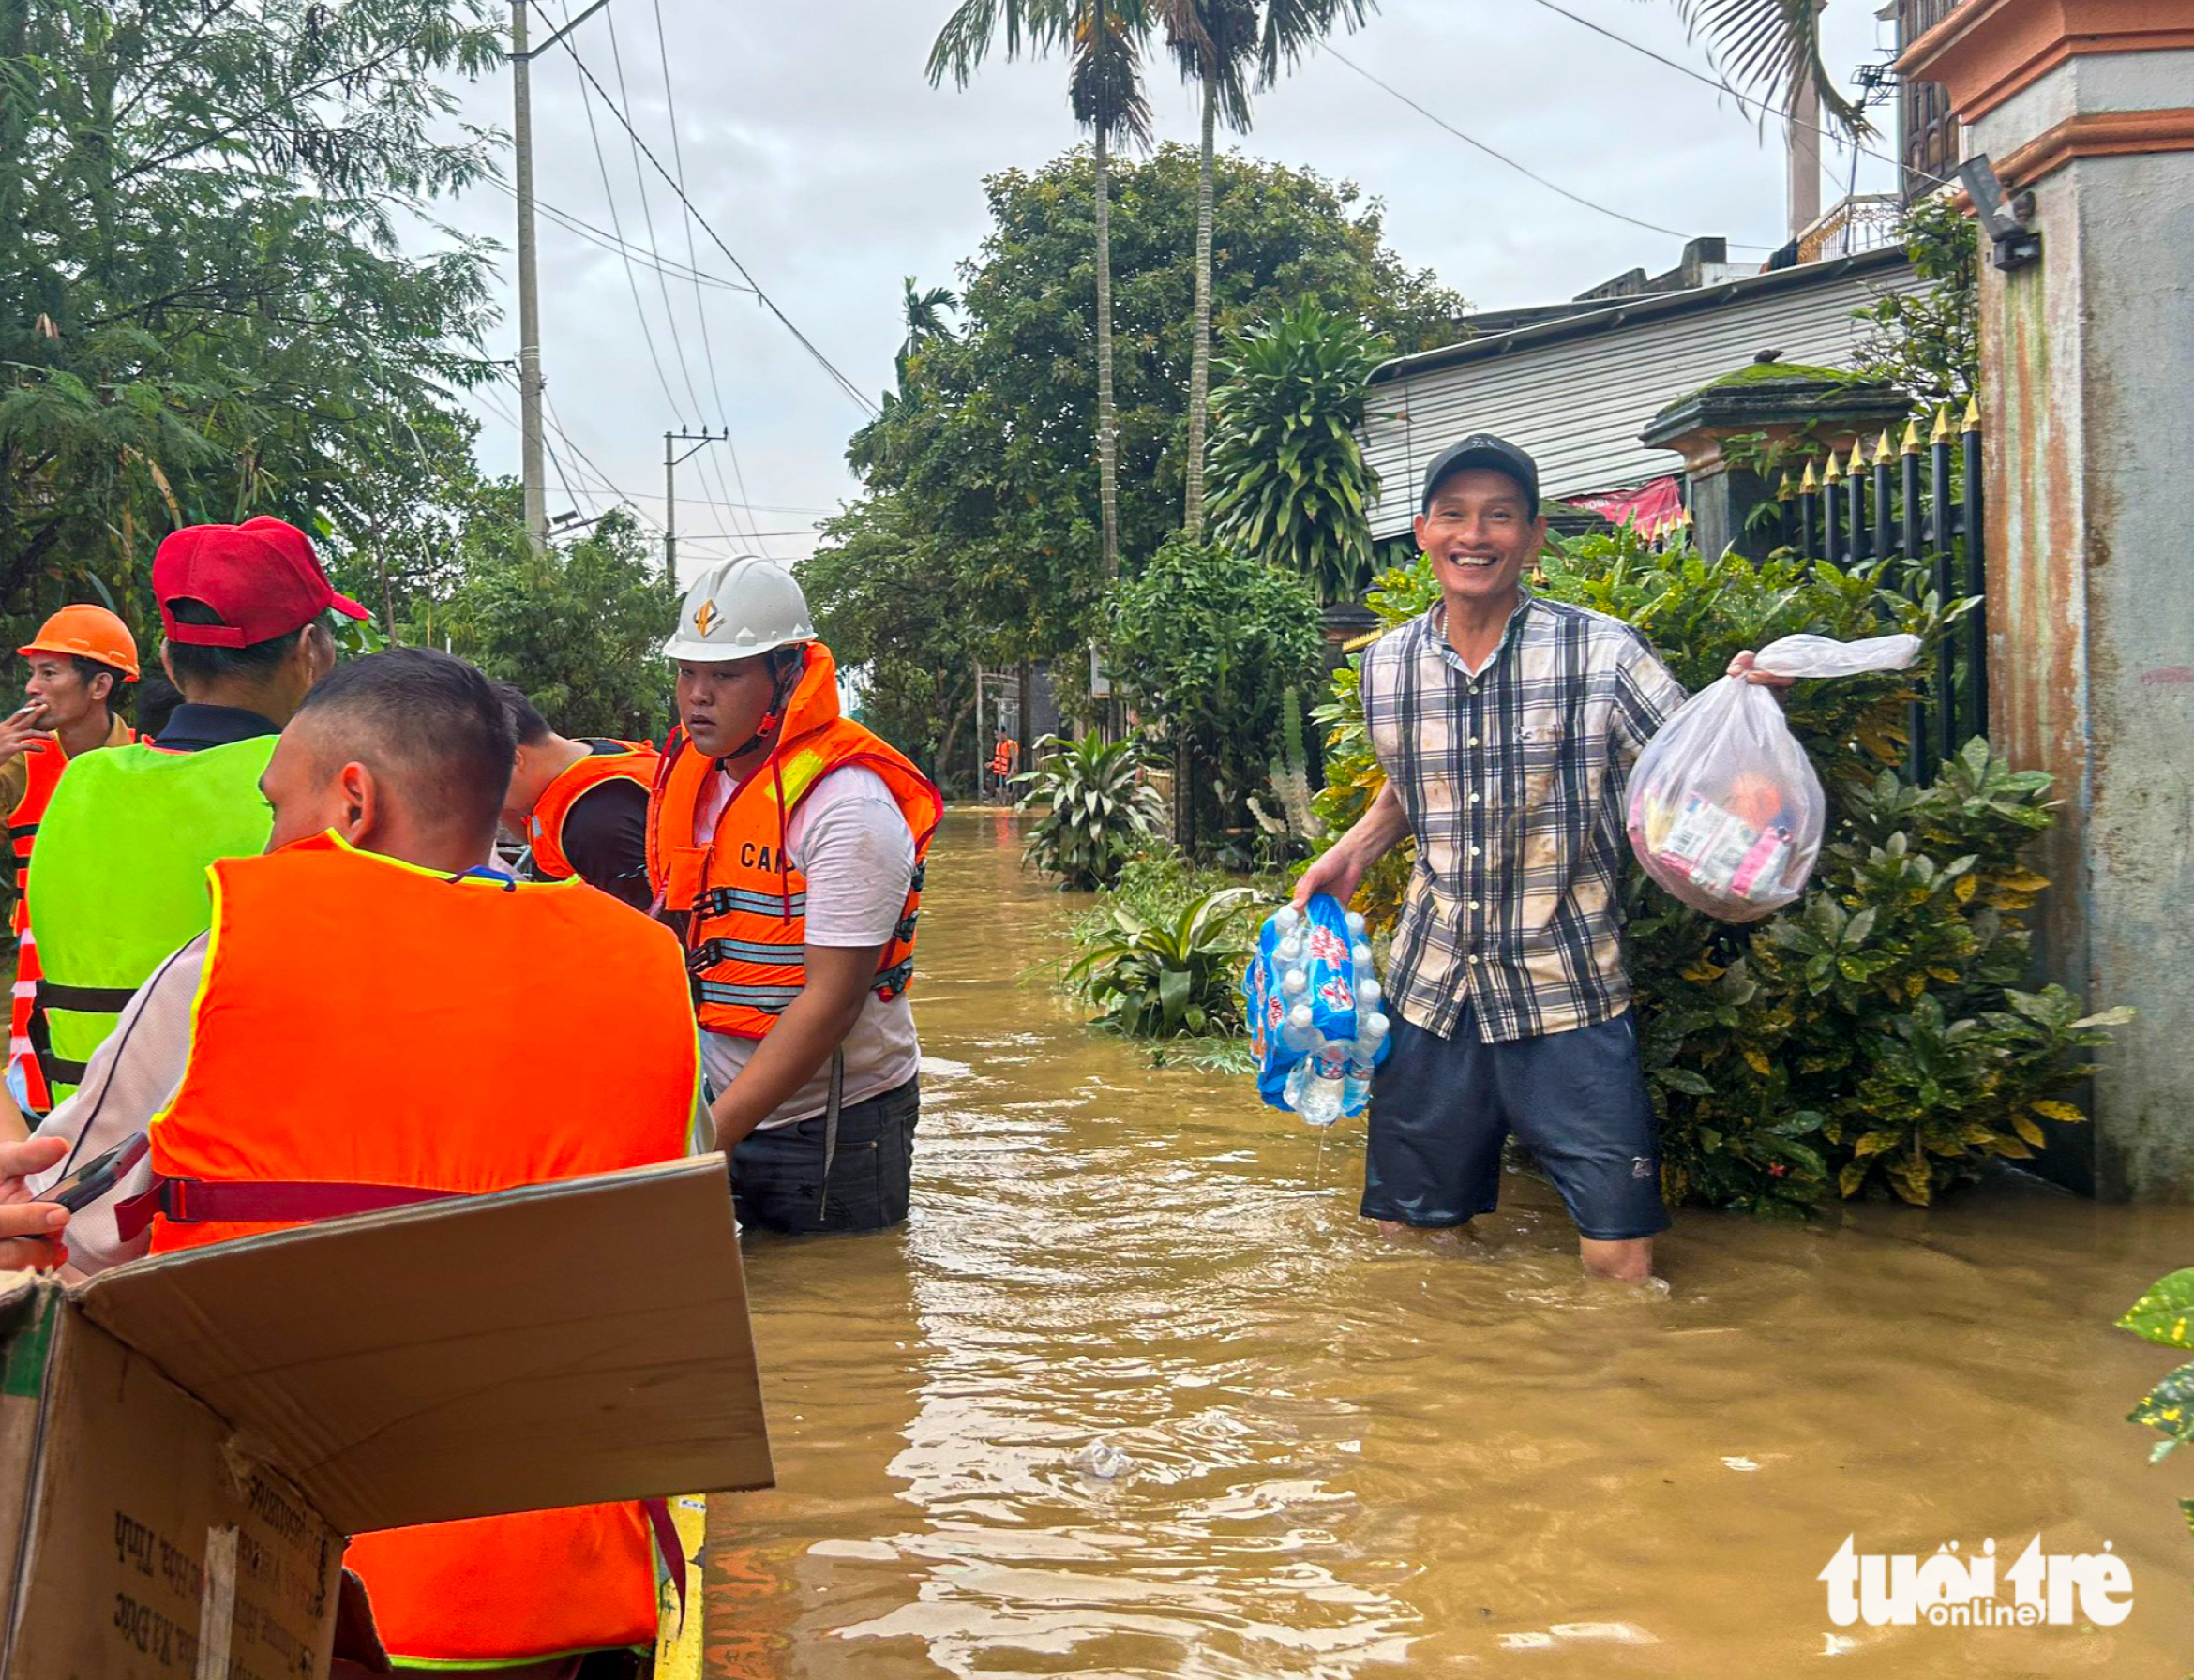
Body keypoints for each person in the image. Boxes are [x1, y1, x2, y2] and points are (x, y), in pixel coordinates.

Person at [29, 648, 703, 1675]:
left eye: (274, 805)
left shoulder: (221, 971)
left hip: (314, 1606)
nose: (265, 837)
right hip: (562, 1610)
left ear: (352, 802)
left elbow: (66, 1234)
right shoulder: (643, 976)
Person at [1293, 435, 1786, 1282]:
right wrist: (1356, 846)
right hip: (1432, 991)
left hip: (1568, 990)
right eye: (1453, 515)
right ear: (1422, 532)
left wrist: (1745, 718)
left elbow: (1688, 778)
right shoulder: (1386, 666)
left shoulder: (1605, 653)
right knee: (1416, 1256)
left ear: (1532, 538)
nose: (1473, 535)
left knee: (1619, 1262)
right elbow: (1415, 787)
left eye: (1499, 516)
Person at [648, 556, 942, 1235]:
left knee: (844, 1307)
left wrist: (707, 1139)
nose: (697, 696)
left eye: (725, 676)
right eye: (688, 673)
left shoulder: (848, 808)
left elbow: (832, 1001)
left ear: (788, 677)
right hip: (718, 1099)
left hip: (831, 1121)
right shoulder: (700, 782)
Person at [24, 518, 357, 1103]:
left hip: (80, 1155)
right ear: (310, 652)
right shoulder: (323, 792)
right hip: (243, 1160)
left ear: (169, 660)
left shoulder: (77, 785)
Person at [1, 606, 140, 1124]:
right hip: (44, 985)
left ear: (100, 685)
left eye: (50, 673)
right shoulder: (19, 763)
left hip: (129, 967)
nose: (33, 688)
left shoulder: (148, 759)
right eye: (33, 672)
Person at [490, 682, 660, 912]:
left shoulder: (597, 827)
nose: (484, 795)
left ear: (513, 759)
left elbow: (647, 931)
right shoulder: (582, 754)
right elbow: (545, 834)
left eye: (479, 780)